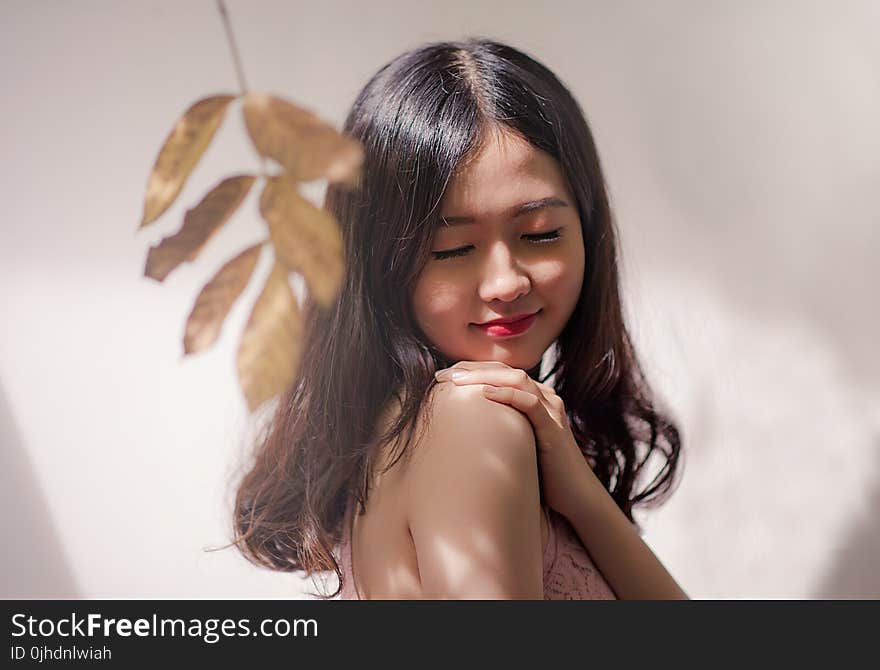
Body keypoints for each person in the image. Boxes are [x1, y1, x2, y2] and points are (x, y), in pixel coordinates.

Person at [231, 38, 687, 599]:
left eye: (541, 234)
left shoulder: (430, 426)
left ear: (588, 229)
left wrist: (583, 495)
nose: (506, 283)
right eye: (450, 249)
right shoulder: (472, 423)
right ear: (380, 264)